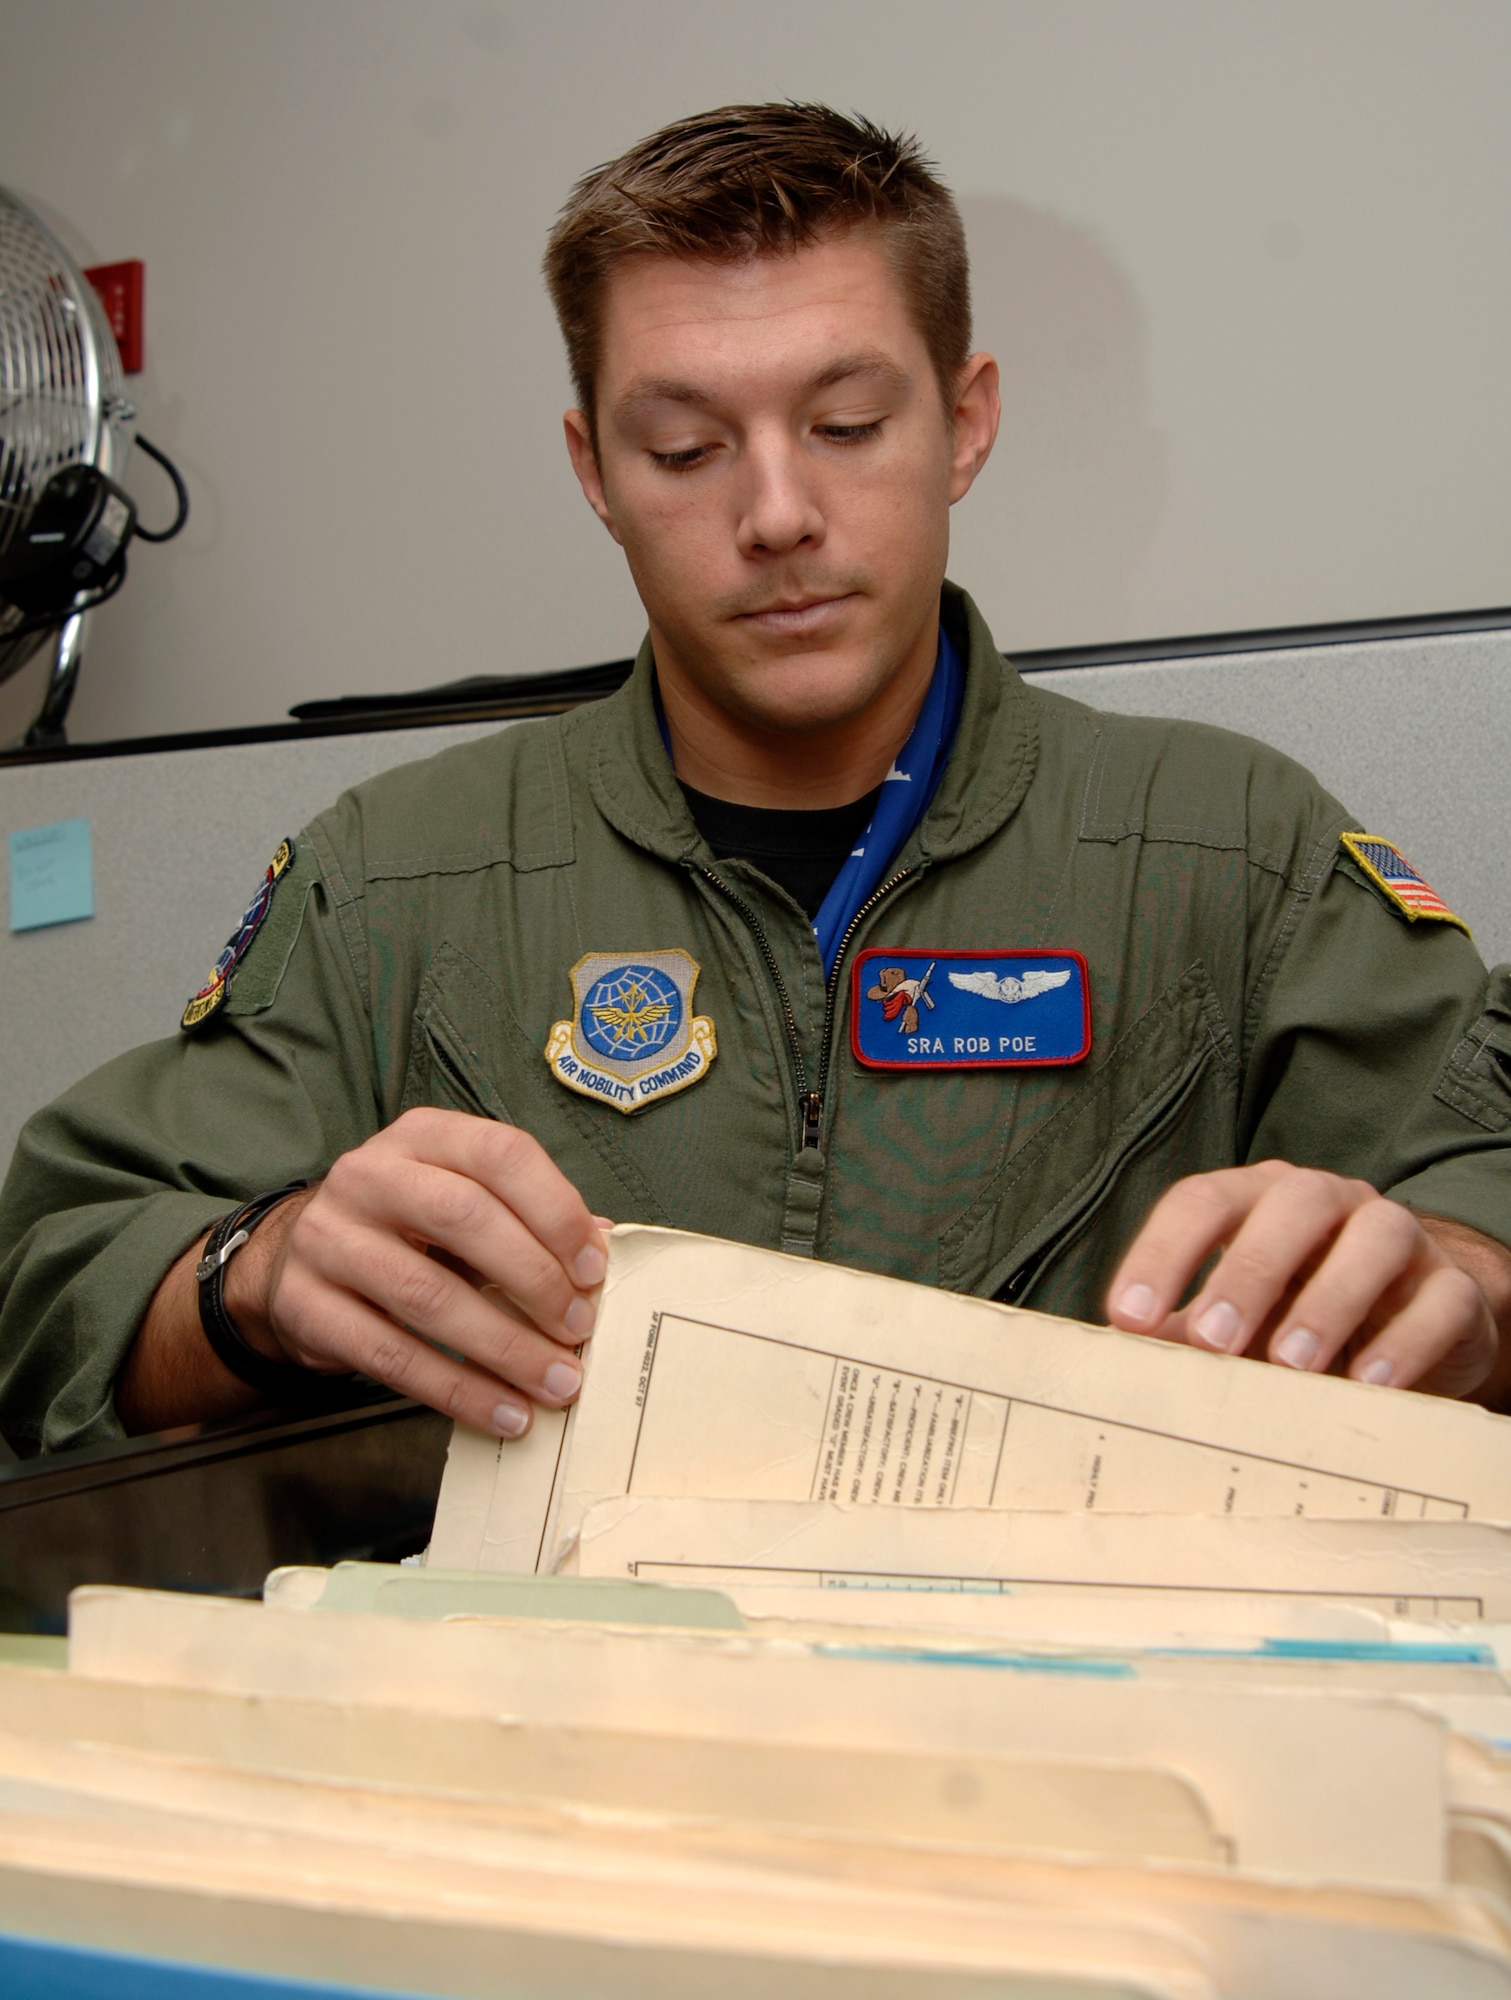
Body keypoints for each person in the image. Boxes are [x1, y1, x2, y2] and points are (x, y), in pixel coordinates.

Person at [1, 103, 1508, 1461]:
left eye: (847, 427)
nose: (778, 512)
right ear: (595, 469)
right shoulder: (397, 880)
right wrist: (253, 1281)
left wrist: (1456, 1283)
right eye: (684, 447)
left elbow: (1480, 1191)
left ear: (966, 421)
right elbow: (49, 1275)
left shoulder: (1235, 851)